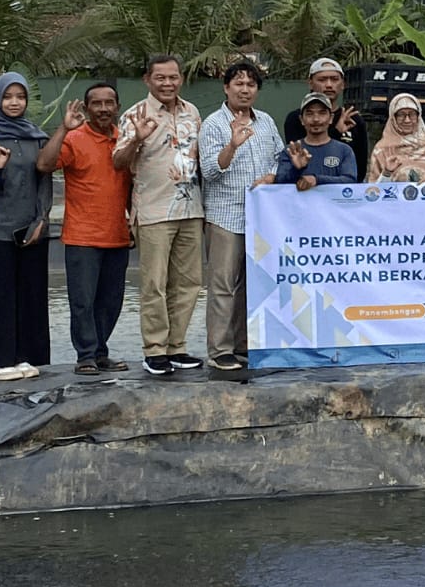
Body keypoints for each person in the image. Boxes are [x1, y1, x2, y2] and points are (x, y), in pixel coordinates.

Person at [113, 53, 204, 378]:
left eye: (173, 77)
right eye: (161, 77)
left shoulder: (192, 112)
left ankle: (177, 347)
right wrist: (137, 138)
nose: (168, 83)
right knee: (155, 284)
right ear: (147, 79)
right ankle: (154, 350)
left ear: (181, 78)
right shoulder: (134, 115)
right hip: (153, 211)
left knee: (190, 282)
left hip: (191, 208)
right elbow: (118, 162)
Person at [36, 82, 134, 375]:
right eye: (96, 103)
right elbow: (43, 164)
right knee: (83, 301)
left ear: (117, 106)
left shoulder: (126, 140)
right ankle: (86, 356)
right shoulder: (75, 138)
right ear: (86, 108)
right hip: (83, 237)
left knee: (111, 302)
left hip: (118, 235)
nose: (103, 109)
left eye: (109, 103)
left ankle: (101, 351)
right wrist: (63, 129)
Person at [200, 59, 284, 372]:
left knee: (252, 285)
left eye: (250, 84)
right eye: (239, 83)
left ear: (257, 90)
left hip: (261, 218)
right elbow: (210, 170)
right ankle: (220, 350)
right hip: (226, 216)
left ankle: (243, 345)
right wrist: (232, 146)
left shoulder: (266, 122)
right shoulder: (213, 124)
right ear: (226, 88)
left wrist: (273, 176)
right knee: (223, 285)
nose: (244, 89)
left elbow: (280, 158)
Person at [0, 72, 53, 381]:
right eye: (8, 97)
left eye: (20, 97)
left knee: (29, 294)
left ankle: (24, 356)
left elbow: (45, 181)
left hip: (30, 228)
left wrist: (42, 219)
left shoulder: (38, 136)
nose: (14, 102)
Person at [283, 57, 369, 180]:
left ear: (343, 84)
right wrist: (336, 130)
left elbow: (360, 169)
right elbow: (301, 157)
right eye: (322, 80)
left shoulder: (354, 119)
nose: (329, 85)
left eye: (334, 79)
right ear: (311, 83)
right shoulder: (295, 119)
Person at [270, 93, 359, 187]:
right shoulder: (291, 151)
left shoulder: (344, 150)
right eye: (309, 113)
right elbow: (279, 184)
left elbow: (350, 181)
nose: (316, 119)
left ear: (331, 118)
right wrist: (296, 169)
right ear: (301, 119)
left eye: (322, 113)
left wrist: (317, 179)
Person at [366, 92, 425, 183]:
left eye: (412, 114)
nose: (407, 120)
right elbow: (373, 191)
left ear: (418, 117)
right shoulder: (382, 150)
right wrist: (387, 173)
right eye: (401, 115)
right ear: (393, 118)